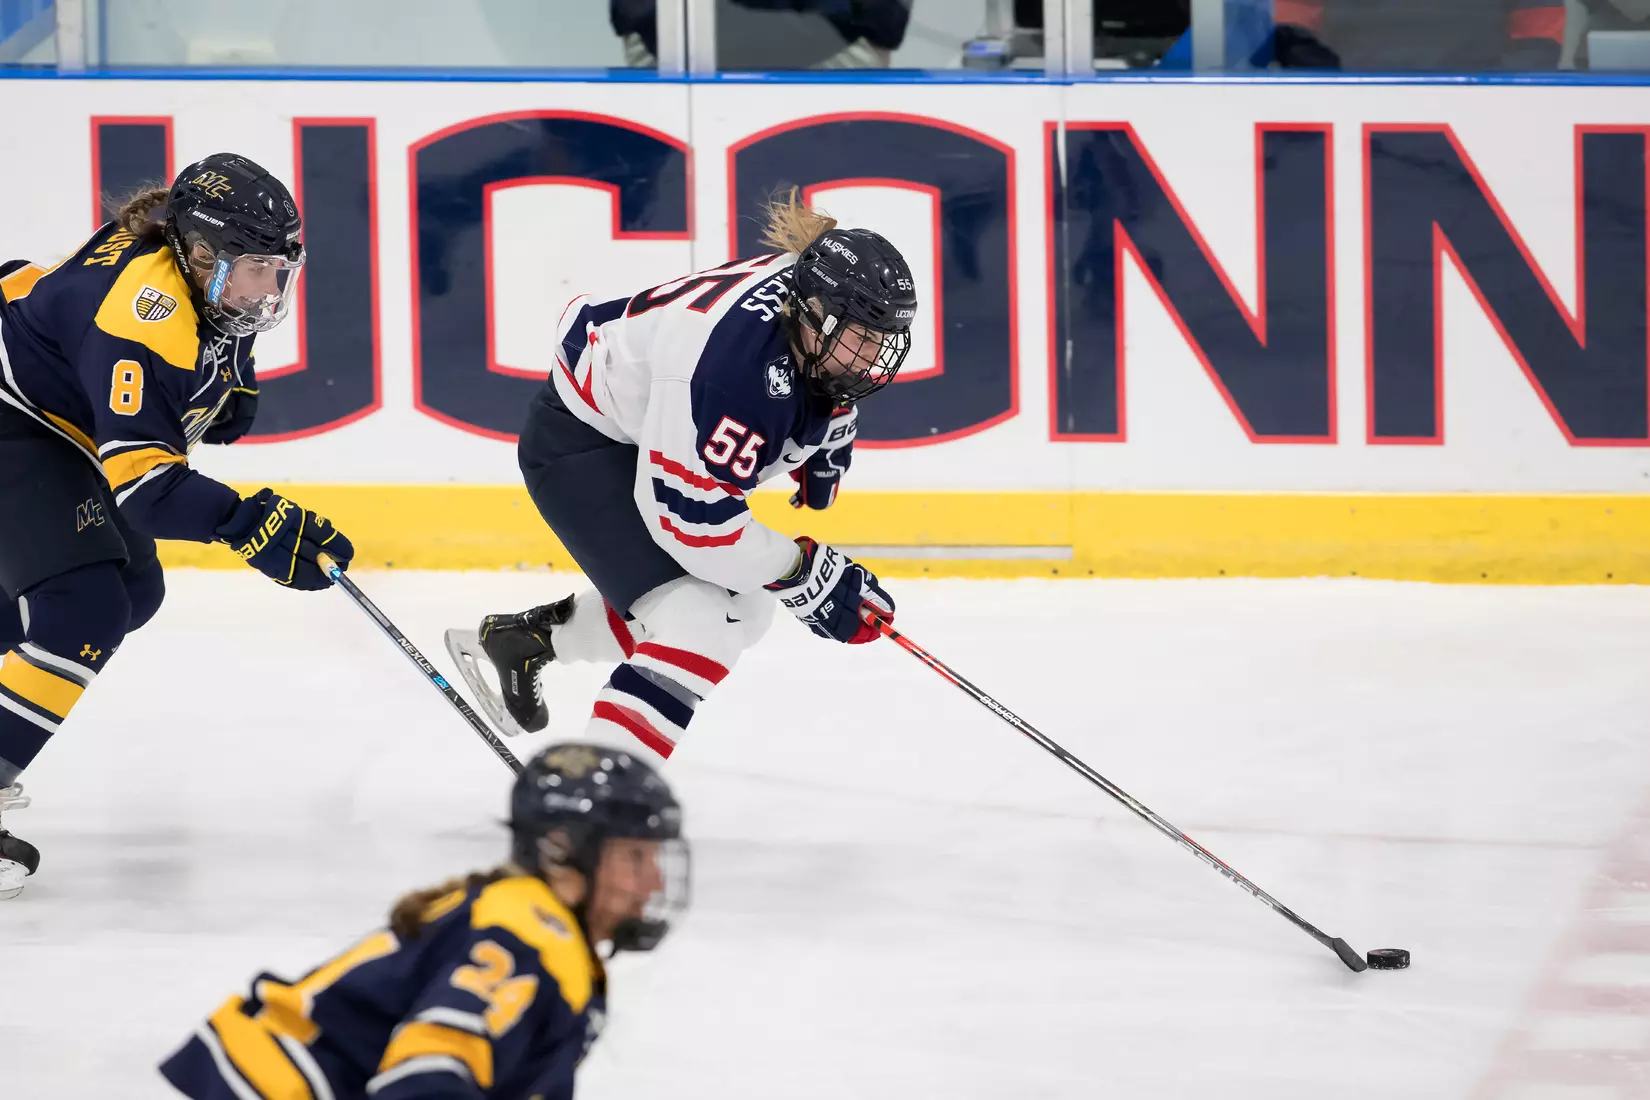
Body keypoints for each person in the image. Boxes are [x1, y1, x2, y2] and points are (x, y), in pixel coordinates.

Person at [445, 191, 916, 760]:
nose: (868, 360)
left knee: (747, 603)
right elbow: (693, 524)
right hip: (580, 441)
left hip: (638, 422)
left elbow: (803, 380)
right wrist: (804, 572)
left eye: (878, 343)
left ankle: (530, 641)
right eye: (857, 339)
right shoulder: (731, 374)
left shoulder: (807, 295)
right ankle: (595, 797)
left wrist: (826, 424)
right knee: (699, 624)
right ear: (812, 313)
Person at [0, 153, 354, 899]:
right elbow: (148, 491)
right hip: (14, 414)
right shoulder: (142, 314)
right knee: (79, 609)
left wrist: (228, 380)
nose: (267, 293)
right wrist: (250, 525)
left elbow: (211, 352)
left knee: (133, 588)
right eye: (252, 270)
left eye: (276, 271)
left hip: (47, 414)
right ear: (198, 254)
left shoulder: (200, 274)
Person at [159, 742, 688, 1100]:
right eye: (634, 859)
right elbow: (425, 1076)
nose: (654, 885)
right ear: (562, 854)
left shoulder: (527, 918)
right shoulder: (530, 935)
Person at [1271, 0, 1565, 70]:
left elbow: (1541, 39)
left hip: (1478, 101)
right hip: (1354, 100)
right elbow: (1291, 31)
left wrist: (1493, 89)